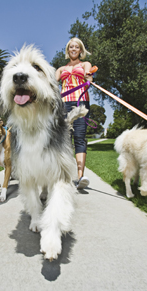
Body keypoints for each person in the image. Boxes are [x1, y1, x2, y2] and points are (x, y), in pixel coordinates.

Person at [56, 37, 93, 189]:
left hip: (81, 103)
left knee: (79, 137)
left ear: (80, 50)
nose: (73, 49)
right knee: (64, 139)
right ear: (67, 50)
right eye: (71, 47)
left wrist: (89, 78)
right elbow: (51, 84)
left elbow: (88, 76)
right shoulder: (60, 69)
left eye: (76, 47)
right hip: (64, 103)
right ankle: (62, 176)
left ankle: (80, 177)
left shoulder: (85, 64)